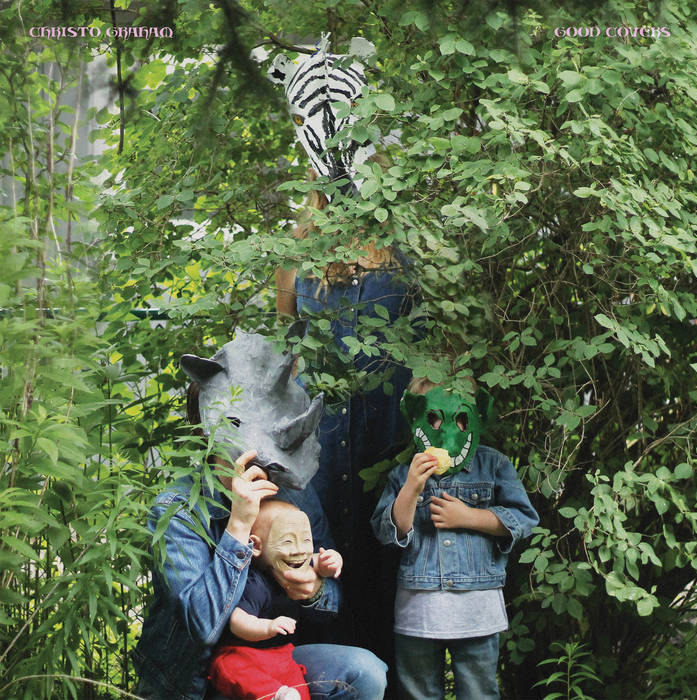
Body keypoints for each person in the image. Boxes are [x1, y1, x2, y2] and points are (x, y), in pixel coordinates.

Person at [133, 371, 388, 700]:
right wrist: (239, 525)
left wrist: (314, 589)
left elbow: (333, 599)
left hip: (274, 660)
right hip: (195, 678)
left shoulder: (293, 494)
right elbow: (202, 626)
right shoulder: (178, 508)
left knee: (365, 672)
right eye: (235, 426)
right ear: (205, 435)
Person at [276, 178, 418, 668]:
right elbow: (288, 347)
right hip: (321, 443)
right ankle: (327, 681)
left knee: (389, 564)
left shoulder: (408, 247)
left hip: (388, 436)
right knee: (322, 559)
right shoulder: (298, 250)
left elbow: (436, 347)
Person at [371, 377, 539, 700]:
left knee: (479, 693)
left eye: (460, 418)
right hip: (418, 614)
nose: (447, 428)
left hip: (477, 613)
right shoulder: (403, 473)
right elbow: (389, 531)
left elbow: (523, 518)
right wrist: (412, 488)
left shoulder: (493, 464)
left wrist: (469, 517)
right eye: (433, 418)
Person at [209, 500, 343, 700]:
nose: (300, 550)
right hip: (244, 653)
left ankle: (286, 695)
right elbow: (237, 622)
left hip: (281, 654)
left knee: (298, 686)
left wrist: (329, 563)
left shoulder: (296, 562)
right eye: (287, 542)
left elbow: (316, 560)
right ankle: (274, 694)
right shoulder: (255, 584)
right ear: (256, 546)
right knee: (231, 666)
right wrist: (268, 627)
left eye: (306, 540)